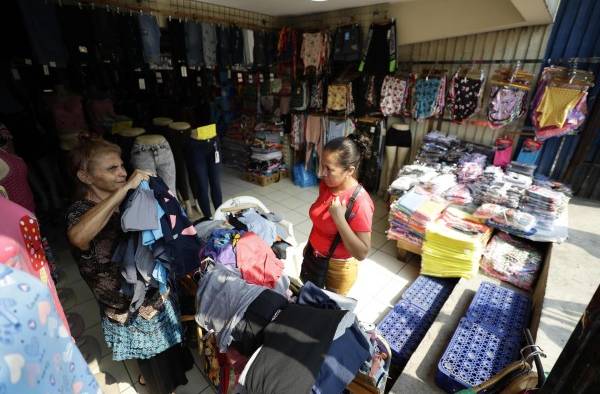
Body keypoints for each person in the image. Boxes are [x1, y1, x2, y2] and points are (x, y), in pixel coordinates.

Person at [65, 138, 193, 393]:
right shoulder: (79, 211)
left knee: (171, 353)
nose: (123, 172)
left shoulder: (130, 198)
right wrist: (124, 190)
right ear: (85, 176)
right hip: (127, 307)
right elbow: (78, 237)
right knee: (156, 367)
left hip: (155, 296)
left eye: (122, 165)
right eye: (112, 168)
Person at [301, 136, 374, 295]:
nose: (322, 173)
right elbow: (319, 220)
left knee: (329, 310)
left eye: (329, 169)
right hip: (314, 257)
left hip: (338, 269)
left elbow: (362, 253)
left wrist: (340, 219)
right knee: (311, 301)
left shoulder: (360, 202)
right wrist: (310, 245)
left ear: (350, 171)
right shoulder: (327, 185)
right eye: (322, 166)